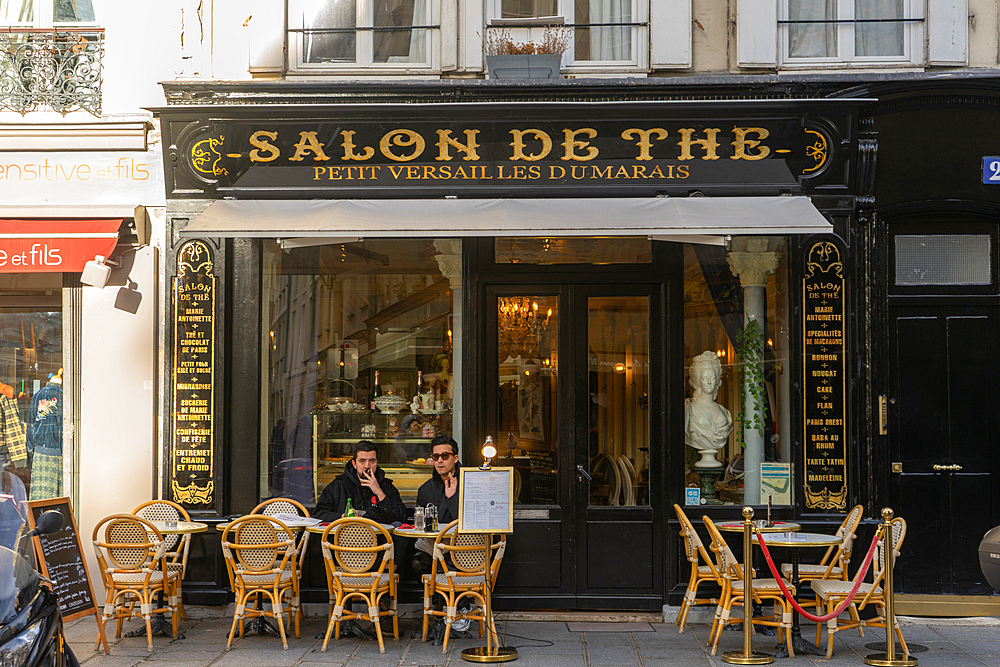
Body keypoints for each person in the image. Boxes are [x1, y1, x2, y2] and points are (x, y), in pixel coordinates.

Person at [313, 440, 407, 524]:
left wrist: (379, 493)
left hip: (379, 541)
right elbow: (318, 515)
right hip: (343, 540)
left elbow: (401, 518)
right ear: (354, 464)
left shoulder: (386, 486)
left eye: (372, 461)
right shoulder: (338, 485)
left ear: (377, 462)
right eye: (362, 461)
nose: (367, 466)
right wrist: (343, 517)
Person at [684, 350, 733, 468]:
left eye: (712, 377)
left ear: (717, 380)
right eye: (704, 378)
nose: (709, 382)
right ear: (697, 381)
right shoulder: (689, 410)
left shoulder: (725, 412)